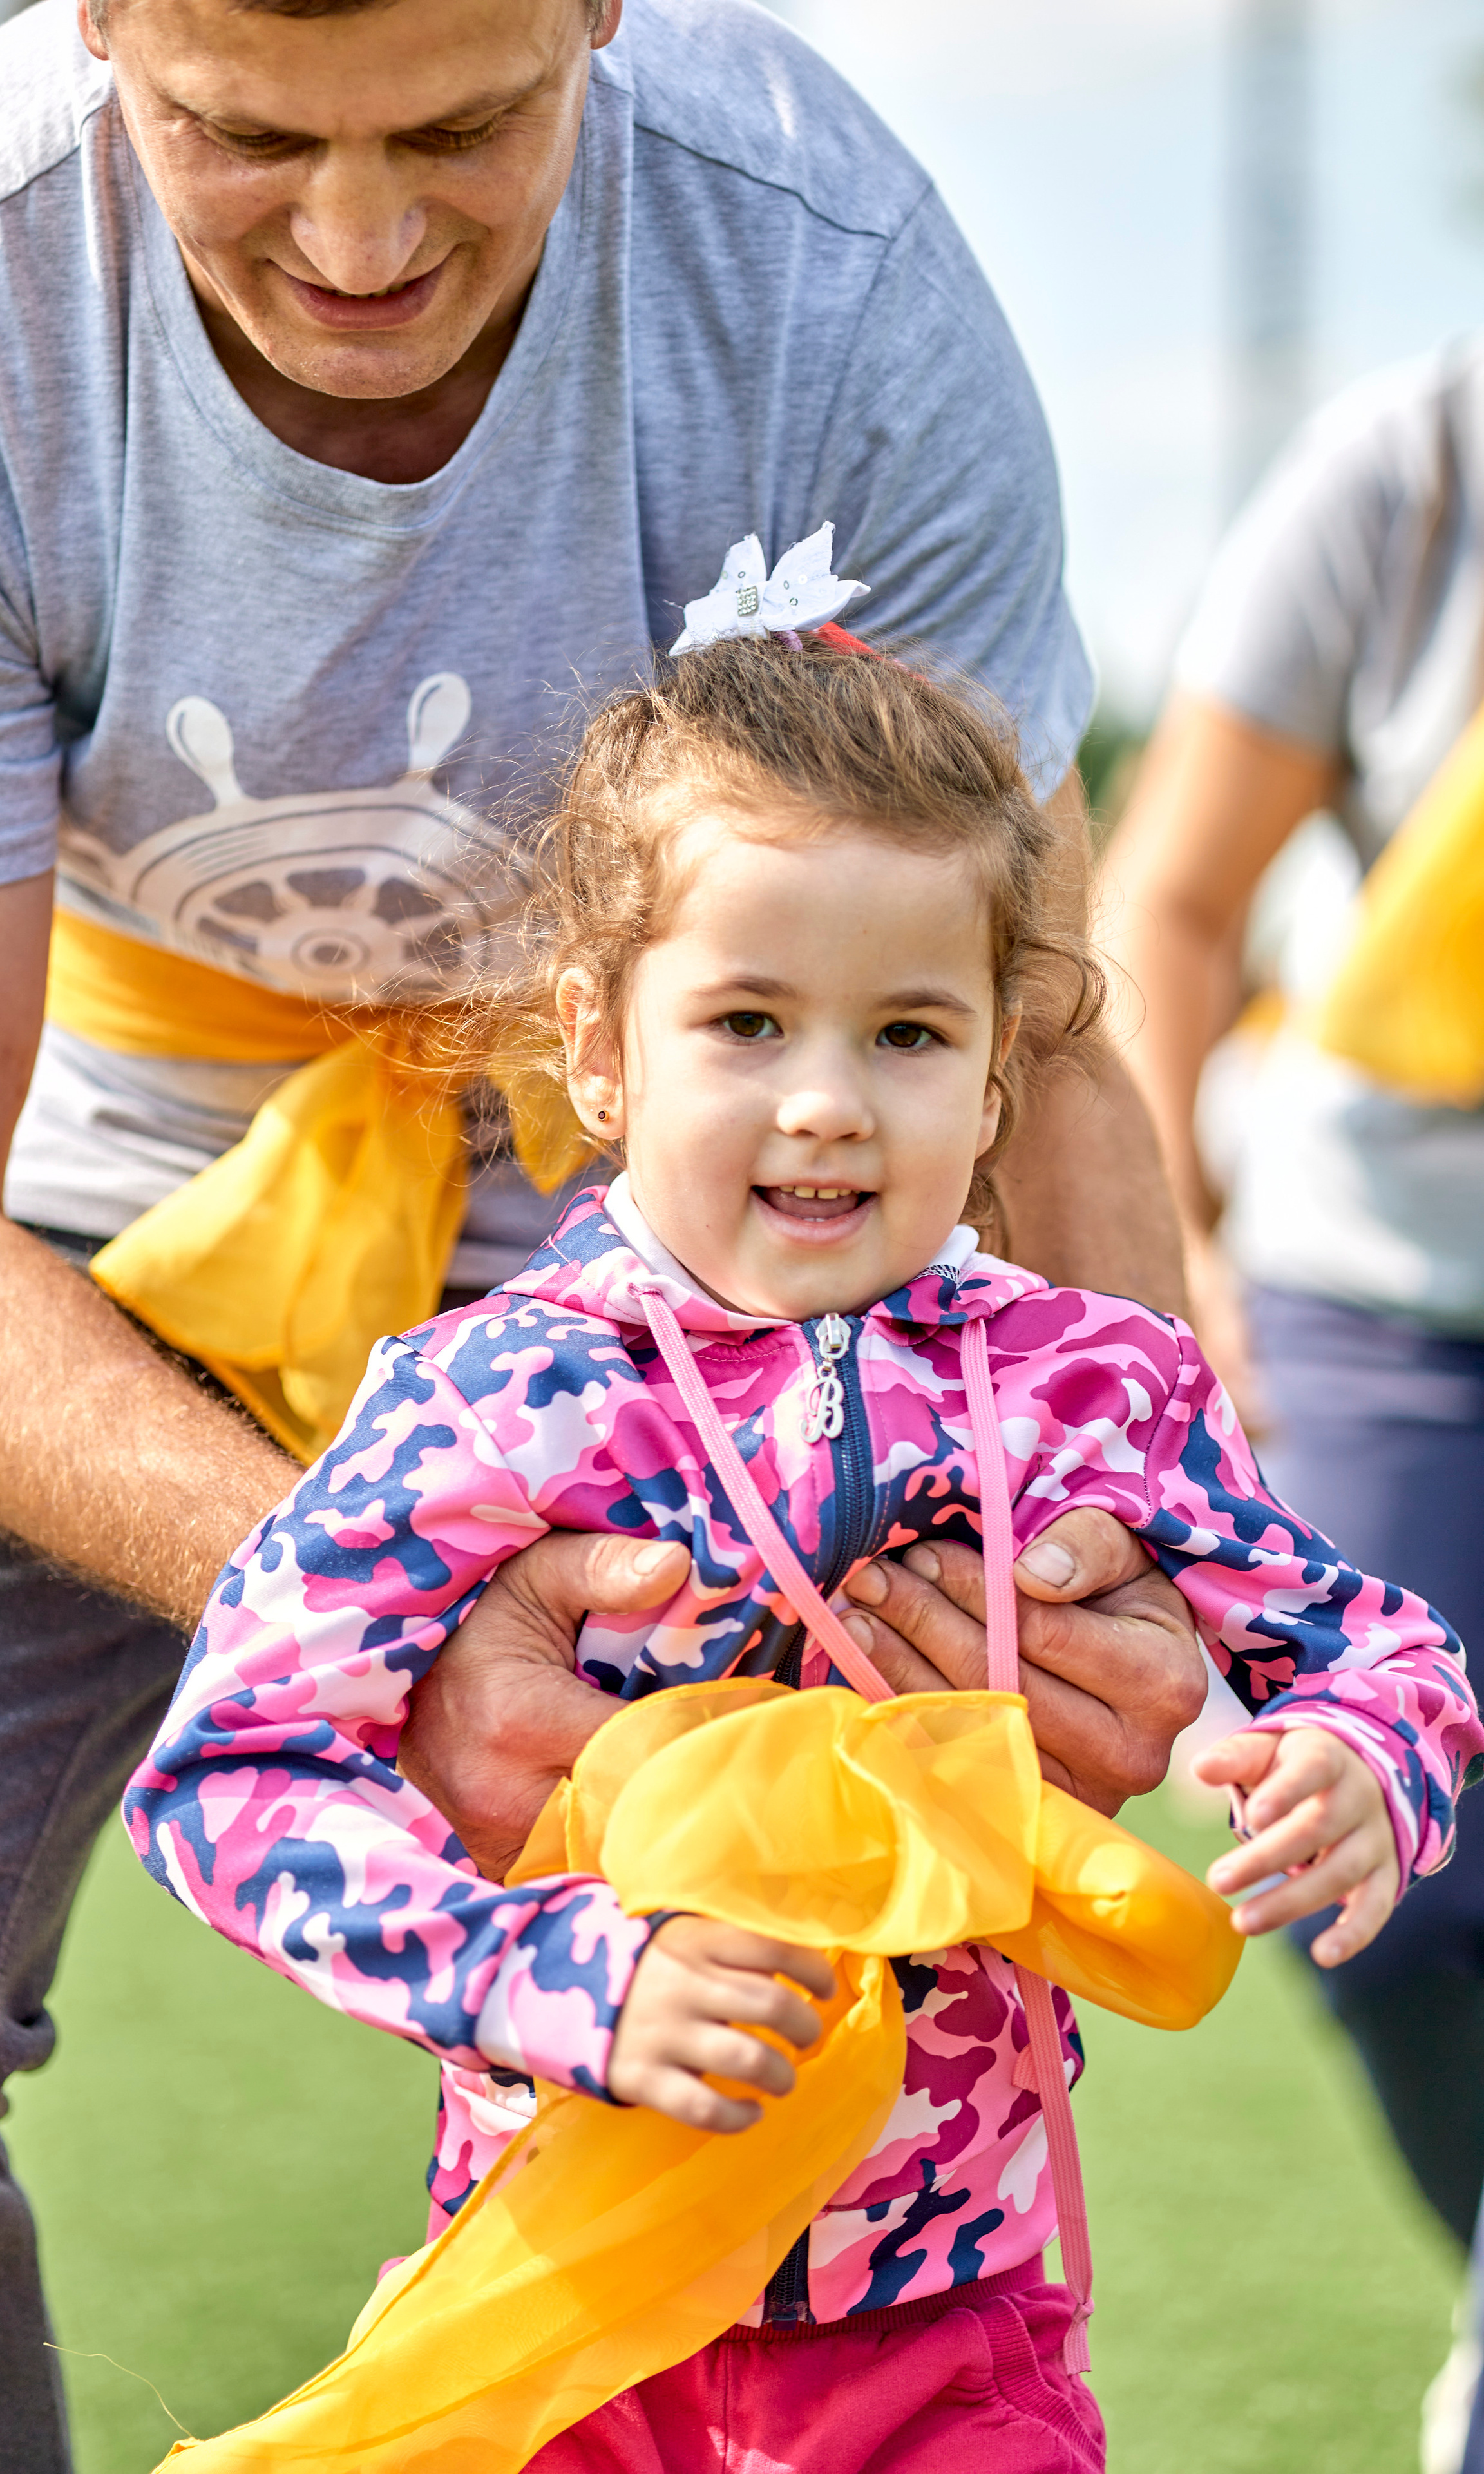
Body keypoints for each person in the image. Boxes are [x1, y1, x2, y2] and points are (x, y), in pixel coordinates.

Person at [0, 2, 1203, 2463]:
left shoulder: (828, 284)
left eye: (462, 127)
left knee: (825, 2045)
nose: (359, 247)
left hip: (707, 1245)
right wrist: (381, 1601)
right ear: (98, 29)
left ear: (598, 6)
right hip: (96, 1237)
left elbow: (1042, 1020)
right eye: (241, 139)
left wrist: (1119, 1573)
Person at [130, 621, 1480, 2473]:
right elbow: (226, 1774)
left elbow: (1378, 1646)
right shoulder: (495, 1398)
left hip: (956, 2324)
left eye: (909, 1033)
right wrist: (555, 1978)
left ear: (1000, 1080)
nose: (829, 1098)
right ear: (602, 1050)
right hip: (578, 2301)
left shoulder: (1091, 1383)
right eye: (748, 1022)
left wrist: (1358, 1762)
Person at [1101, 342, 1484, 2467]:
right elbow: (1169, 896)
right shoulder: (1418, 464)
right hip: (1380, 1292)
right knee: (1385, 1868)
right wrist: (1185, 1263)